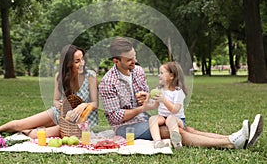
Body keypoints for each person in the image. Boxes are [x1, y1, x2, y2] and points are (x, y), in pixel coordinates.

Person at [99, 37, 263, 149]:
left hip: (145, 119)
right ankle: (232, 143)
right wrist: (141, 109)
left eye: (134, 57)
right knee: (173, 132)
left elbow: (148, 101)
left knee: (185, 128)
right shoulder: (108, 82)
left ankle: (235, 137)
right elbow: (115, 117)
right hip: (124, 128)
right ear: (116, 61)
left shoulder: (138, 71)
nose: (134, 62)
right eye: (129, 60)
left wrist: (146, 98)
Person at [0, 45, 98, 138]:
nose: (82, 63)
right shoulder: (60, 76)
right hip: (60, 114)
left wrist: (83, 105)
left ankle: (25, 132)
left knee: (37, 134)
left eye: (82, 59)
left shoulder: (90, 76)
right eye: (77, 61)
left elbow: (95, 103)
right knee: (21, 123)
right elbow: (55, 100)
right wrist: (57, 104)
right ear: (68, 63)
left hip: (80, 122)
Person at [149, 62, 187, 149]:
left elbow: (175, 110)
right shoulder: (159, 89)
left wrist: (164, 100)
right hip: (163, 117)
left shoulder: (178, 92)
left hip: (178, 119)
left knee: (170, 118)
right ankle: (157, 142)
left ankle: (177, 142)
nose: (159, 75)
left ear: (171, 76)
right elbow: (155, 105)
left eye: (162, 73)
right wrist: (150, 99)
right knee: (153, 118)